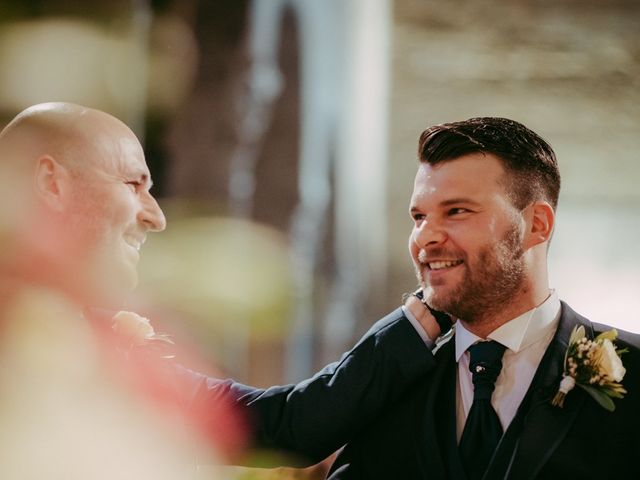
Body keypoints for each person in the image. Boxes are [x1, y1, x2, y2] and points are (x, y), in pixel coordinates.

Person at [0, 102, 446, 474]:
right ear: (50, 183)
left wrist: (414, 324)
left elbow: (282, 425)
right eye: (133, 184)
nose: (156, 216)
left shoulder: (106, 348)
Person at [290, 117, 637, 479]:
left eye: (456, 211)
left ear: (537, 225)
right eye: (419, 216)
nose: (425, 237)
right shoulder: (387, 390)